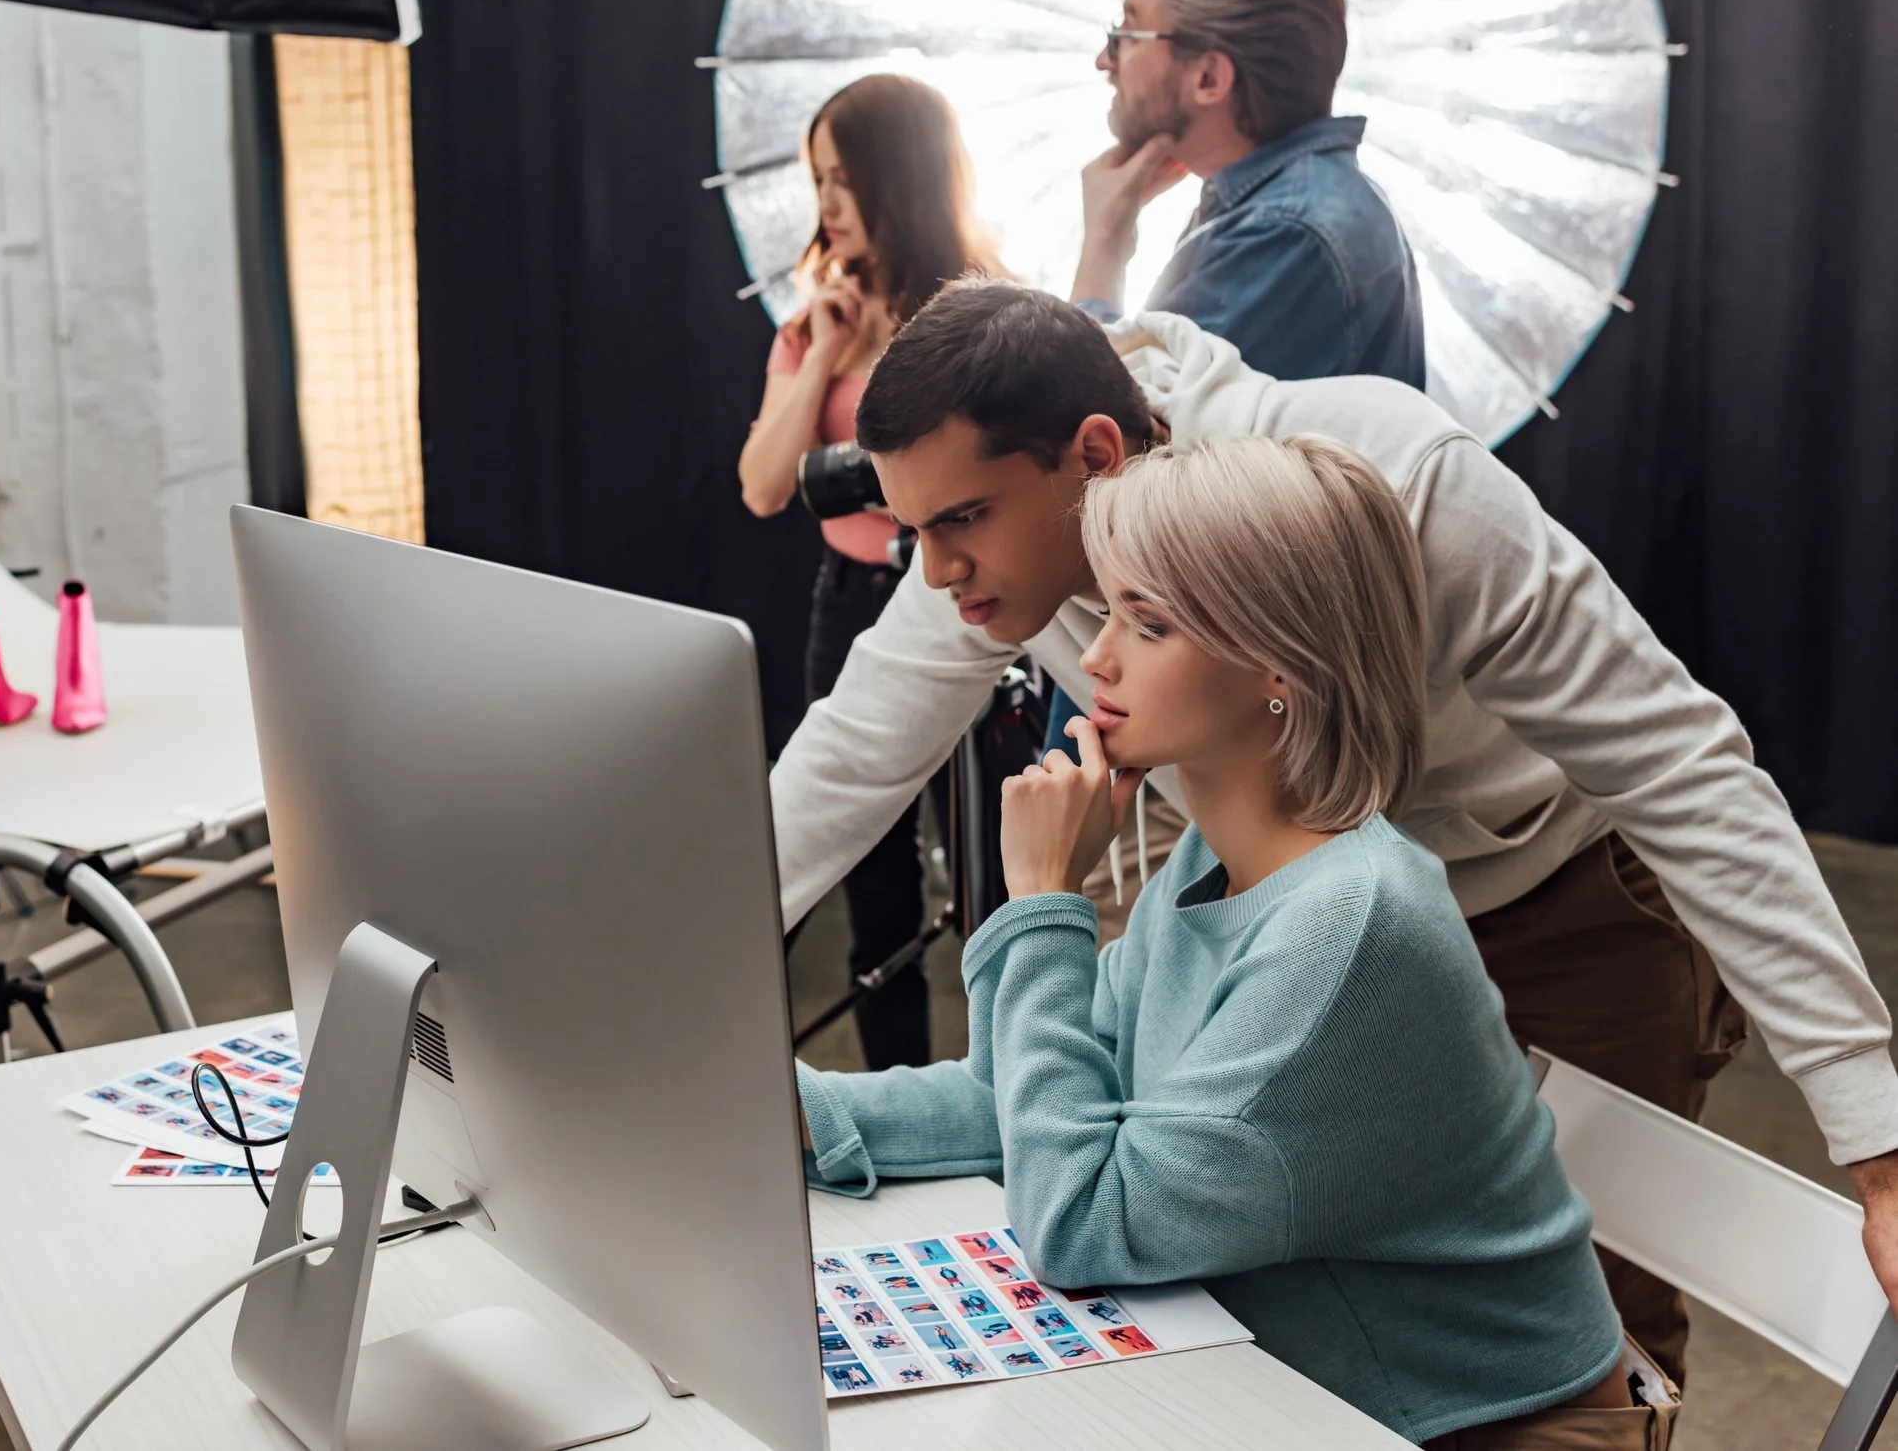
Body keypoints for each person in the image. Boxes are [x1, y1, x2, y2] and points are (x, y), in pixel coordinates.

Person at [770, 278, 1898, 1383]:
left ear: (1097, 457)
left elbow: (1679, 768)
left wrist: (1880, 1147)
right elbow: (845, 765)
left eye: (960, 520)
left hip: (1555, 892)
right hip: (1289, 900)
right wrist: (677, 1031)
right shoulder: (993, 549)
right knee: (1302, 1318)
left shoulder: (1404, 484)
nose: (935, 570)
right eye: (910, 527)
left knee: (1588, 1330)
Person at [800, 433, 1662, 1446]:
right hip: (1302, 1397)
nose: (1095, 657)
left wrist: (1040, 903)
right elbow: (1031, 1103)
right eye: (1113, 608)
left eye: (1150, 624)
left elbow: (1080, 1224)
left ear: (1280, 668)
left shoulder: (1349, 932)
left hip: (1482, 1431)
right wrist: (780, 1114)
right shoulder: (1213, 864)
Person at [737, 73, 1002, 1070]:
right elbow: (766, 486)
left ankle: (1001, 1095)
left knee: (994, 877)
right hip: (850, 608)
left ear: (903, 177)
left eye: (844, 178)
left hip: (971, 605)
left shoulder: (984, 311)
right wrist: (821, 355)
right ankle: (895, 1092)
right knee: (873, 885)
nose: (827, 205)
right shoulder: (814, 325)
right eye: (818, 180)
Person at [1072, 0, 1422, 388]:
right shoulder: (1276, 206)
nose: (1103, 61)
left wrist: (1103, 246)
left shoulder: (1284, 232)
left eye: (1126, 32)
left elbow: (1114, 439)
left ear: (1209, 77)